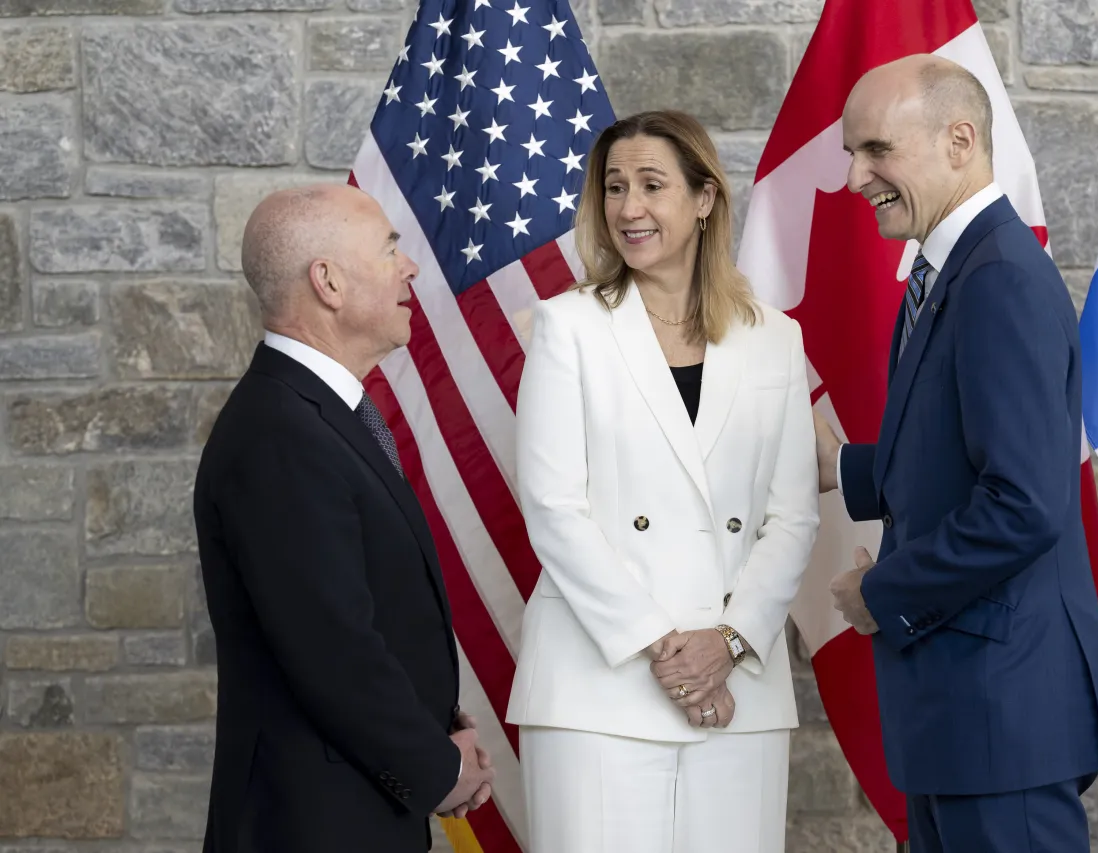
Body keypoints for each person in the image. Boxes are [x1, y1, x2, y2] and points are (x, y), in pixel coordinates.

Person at [814, 55, 1098, 852]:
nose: (856, 177)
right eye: (853, 153)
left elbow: (1022, 503)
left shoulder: (998, 280)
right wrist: (847, 468)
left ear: (959, 139)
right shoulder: (957, 269)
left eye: (875, 149)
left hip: (1001, 711)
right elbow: (964, 450)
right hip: (968, 712)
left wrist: (879, 590)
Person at [506, 109, 820, 853]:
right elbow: (554, 508)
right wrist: (668, 648)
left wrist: (728, 641)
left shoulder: (776, 337)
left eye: (652, 185)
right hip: (596, 686)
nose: (628, 208)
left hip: (739, 688)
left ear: (705, 198)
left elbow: (793, 517)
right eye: (614, 187)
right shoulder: (567, 326)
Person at [193, 183, 494, 853]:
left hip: (354, 806)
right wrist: (436, 767)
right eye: (390, 248)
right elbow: (332, 647)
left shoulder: (319, 415)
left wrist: (438, 729)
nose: (410, 266)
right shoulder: (279, 432)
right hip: (308, 823)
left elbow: (372, 610)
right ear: (327, 281)